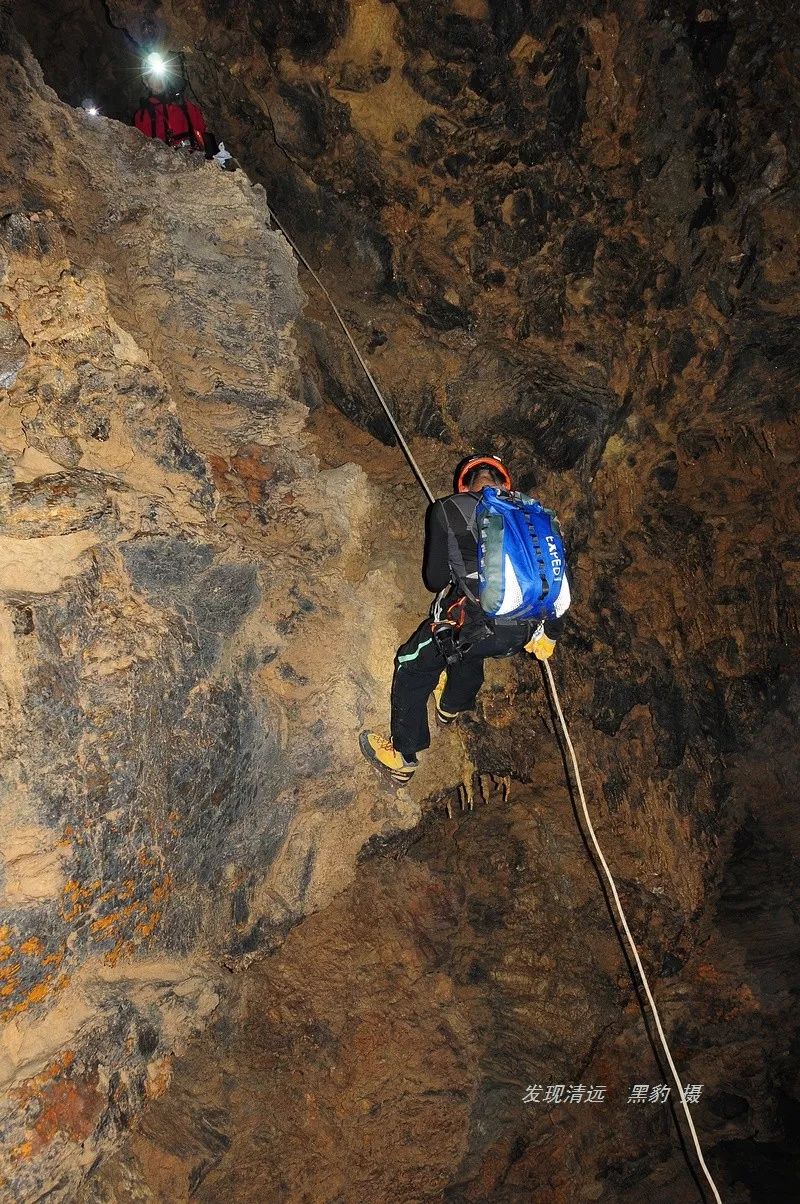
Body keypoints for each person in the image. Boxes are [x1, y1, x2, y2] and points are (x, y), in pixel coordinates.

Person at [359, 454, 571, 785]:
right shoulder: (535, 516)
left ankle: (403, 756)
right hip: (529, 630)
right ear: (505, 483)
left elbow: (433, 579)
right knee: (471, 648)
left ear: (465, 483)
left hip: (477, 625)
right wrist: (551, 634)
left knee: (411, 664)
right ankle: (451, 706)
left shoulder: (448, 508)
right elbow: (558, 580)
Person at [133, 66, 237, 169]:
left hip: (194, 158)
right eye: (153, 77)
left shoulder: (184, 105)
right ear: (146, 82)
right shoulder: (142, 116)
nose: (158, 80)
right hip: (166, 165)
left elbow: (202, 127)